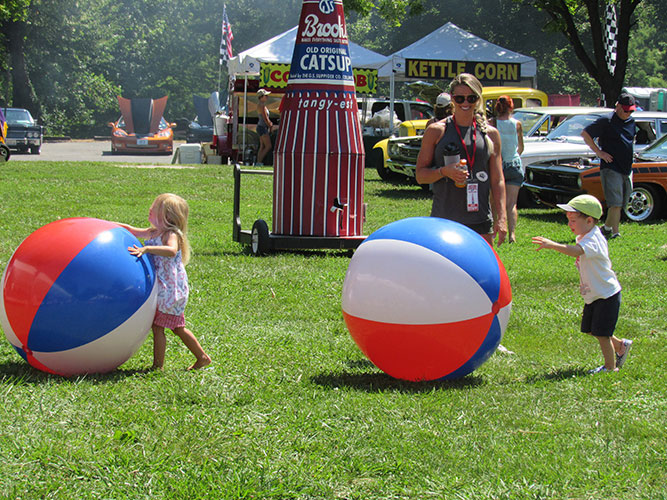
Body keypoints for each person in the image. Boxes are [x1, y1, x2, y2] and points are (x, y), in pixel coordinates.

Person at [531, 194, 632, 374]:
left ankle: (610, 368)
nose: (569, 224)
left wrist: (553, 244)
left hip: (606, 294)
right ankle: (620, 345)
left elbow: (576, 251)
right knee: (591, 330)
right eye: (568, 220)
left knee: (601, 333)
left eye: (573, 220)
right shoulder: (584, 235)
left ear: (589, 220)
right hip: (594, 294)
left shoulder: (593, 239)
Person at [117, 193, 211, 371]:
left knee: (161, 326)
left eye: (155, 208)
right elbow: (131, 230)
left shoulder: (171, 234)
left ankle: (158, 366)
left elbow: (171, 250)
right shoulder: (154, 231)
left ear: (167, 217)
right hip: (163, 287)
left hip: (171, 289)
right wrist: (107, 226)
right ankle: (201, 357)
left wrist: (147, 248)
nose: (150, 209)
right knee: (176, 327)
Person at [416, 73, 507, 247]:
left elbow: (498, 180)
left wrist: (501, 218)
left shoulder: (490, 134)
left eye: (471, 98)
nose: (465, 103)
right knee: (443, 272)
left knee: (479, 273)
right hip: (444, 218)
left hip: (480, 219)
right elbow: (420, 175)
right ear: (452, 99)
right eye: (460, 98)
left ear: (478, 99)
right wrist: (444, 172)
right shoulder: (436, 131)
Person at [581, 92, 637, 240]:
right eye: (626, 110)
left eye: (631, 111)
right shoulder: (606, 120)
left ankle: (607, 229)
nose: (628, 113)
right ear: (617, 106)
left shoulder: (631, 122)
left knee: (622, 203)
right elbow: (585, 134)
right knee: (615, 203)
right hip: (611, 167)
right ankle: (614, 232)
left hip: (627, 168)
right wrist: (599, 153)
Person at [491, 96, 524, 243]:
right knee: (511, 204)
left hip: (498, 165)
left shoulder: (492, 124)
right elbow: (521, 147)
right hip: (514, 164)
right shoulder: (517, 124)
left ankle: (493, 231)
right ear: (511, 107)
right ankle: (512, 235)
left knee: (494, 202)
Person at [256, 88, 273, 165]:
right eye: (266, 96)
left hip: (260, 126)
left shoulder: (260, 105)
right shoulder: (262, 106)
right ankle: (259, 162)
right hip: (263, 127)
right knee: (268, 146)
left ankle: (258, 162)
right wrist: (270, 125)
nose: (267, 97)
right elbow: (265, 118)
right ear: (261, 96)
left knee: (262, 146)